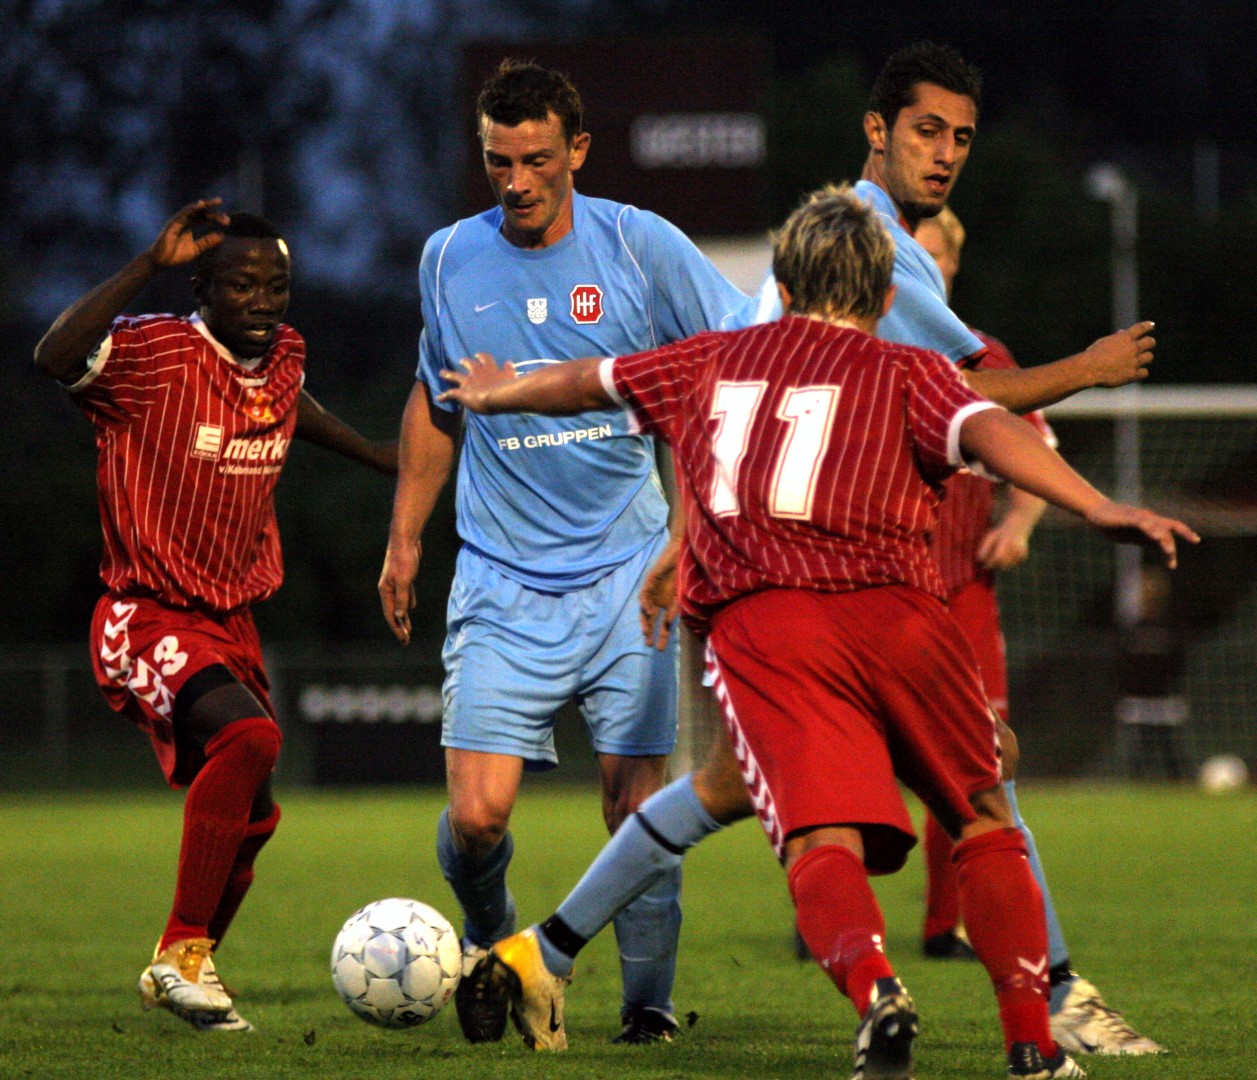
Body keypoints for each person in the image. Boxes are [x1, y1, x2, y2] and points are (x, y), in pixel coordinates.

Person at [417, 40, 1165, 1062]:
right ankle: (1042, 1022)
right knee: (980, 799)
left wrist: (501, 393)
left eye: (958, 136)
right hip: (892, 605)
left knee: (790, 819)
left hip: (766, 617)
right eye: (929, 131)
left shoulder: (716, 354)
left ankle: (819, 983)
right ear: (882, 293)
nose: (945, 153)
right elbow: (986, 420)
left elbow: (592, 379)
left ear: (782, 274)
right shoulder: (895, 345)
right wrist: (1097, 488)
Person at [377, 59, 756, 1046]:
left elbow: (734, 364)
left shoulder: (640, 245)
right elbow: (435, 400)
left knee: (636, 805)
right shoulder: (447, 258)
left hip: (630, 571)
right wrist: (405, 535)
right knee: (477, 818)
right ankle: (495, 948)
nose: (516, 182)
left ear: (577, 150)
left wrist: (693, 528)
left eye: (537, 160)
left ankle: (648, 1008)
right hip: (499, 577)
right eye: (498, 161)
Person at [33, 199, 398, 1033]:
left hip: (231, 620)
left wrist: (376, 455)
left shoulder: (284, 355)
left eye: (276, 285)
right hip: (146, 611)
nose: (262, 301)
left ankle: (189, 966)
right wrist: (144, 264)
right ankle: (180, 953)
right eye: (241, 285)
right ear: (202, 288)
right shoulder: (157, 354)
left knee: (257, 815)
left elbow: (286, 404)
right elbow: (53, 355)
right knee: (251, 739)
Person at [915, 207, 1052, 961]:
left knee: (978, 753)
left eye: (936, 254)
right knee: (846, 754)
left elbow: (1032, 457)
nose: (925, 264)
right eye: (912, 251)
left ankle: (949, 921)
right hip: (881, 586)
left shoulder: (986, 356)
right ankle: (829, 904)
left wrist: (1019, 525)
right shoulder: (867, 349)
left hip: (964, 586)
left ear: (954, 265)